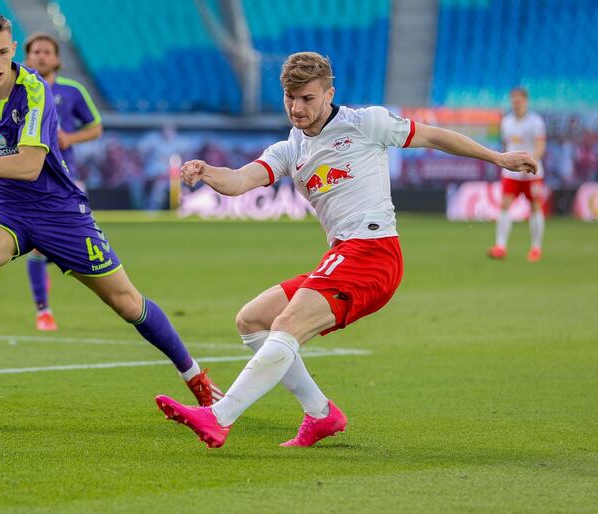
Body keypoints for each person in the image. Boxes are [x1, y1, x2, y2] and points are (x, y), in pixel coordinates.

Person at [154, 52, 536, 448]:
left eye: (308, 99)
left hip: (373, 253)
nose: (297, 108)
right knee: (252, 320)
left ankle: (219, 417)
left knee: (286, 326)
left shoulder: (365, 123)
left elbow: (435, 136)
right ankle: (320, 414)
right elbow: (239, 180)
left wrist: (498, 157)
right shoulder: (289, 150)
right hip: (343, 255)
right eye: (290, 98)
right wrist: (207, 172)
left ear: (329, 94)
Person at [0, 11, 223, 407]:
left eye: (1, 53)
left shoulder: (34, 90)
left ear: (13, 49)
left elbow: (29, 166)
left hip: (60, 211)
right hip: (6, 208)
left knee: (127, 303)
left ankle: (195, 376)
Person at [23, 32, 104, 331]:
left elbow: (96, 127)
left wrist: (70, 137)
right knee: (37, 247)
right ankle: (43, 310)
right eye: (36, 52)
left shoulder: (72, 92)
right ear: (27, 57)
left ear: (57, 58)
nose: (41, 56)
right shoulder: (18, 89)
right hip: (30, 177)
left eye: (47, 52)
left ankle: (111, 293)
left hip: (65, 179)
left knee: (78, 242)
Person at [488, 87, 547, 262]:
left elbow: (540, 147)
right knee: (505, 204)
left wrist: (529, 162)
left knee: (535, 206)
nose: (516, 104)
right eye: (514, 101)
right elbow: (506, 147)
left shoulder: (535, 122)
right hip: (511, 172)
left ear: (525, 101)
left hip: (532, 172)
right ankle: (500, 246)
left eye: (519, 101)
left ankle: (536, 248)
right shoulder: (506, 122)